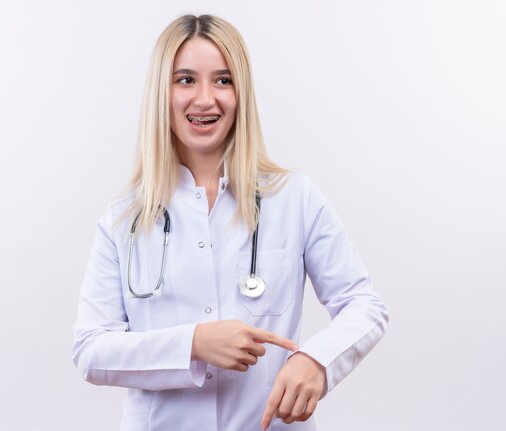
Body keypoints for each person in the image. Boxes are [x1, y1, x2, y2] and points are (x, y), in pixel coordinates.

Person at [72, 14, 388, 431]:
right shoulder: (124, 219)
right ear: (161, 94)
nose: (205, 99)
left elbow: (364, 305)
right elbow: (90, 351)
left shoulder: (293, 198)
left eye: (223, 80)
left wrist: (317, 360)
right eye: (185, 80)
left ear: (241, 94)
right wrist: (194, 344)